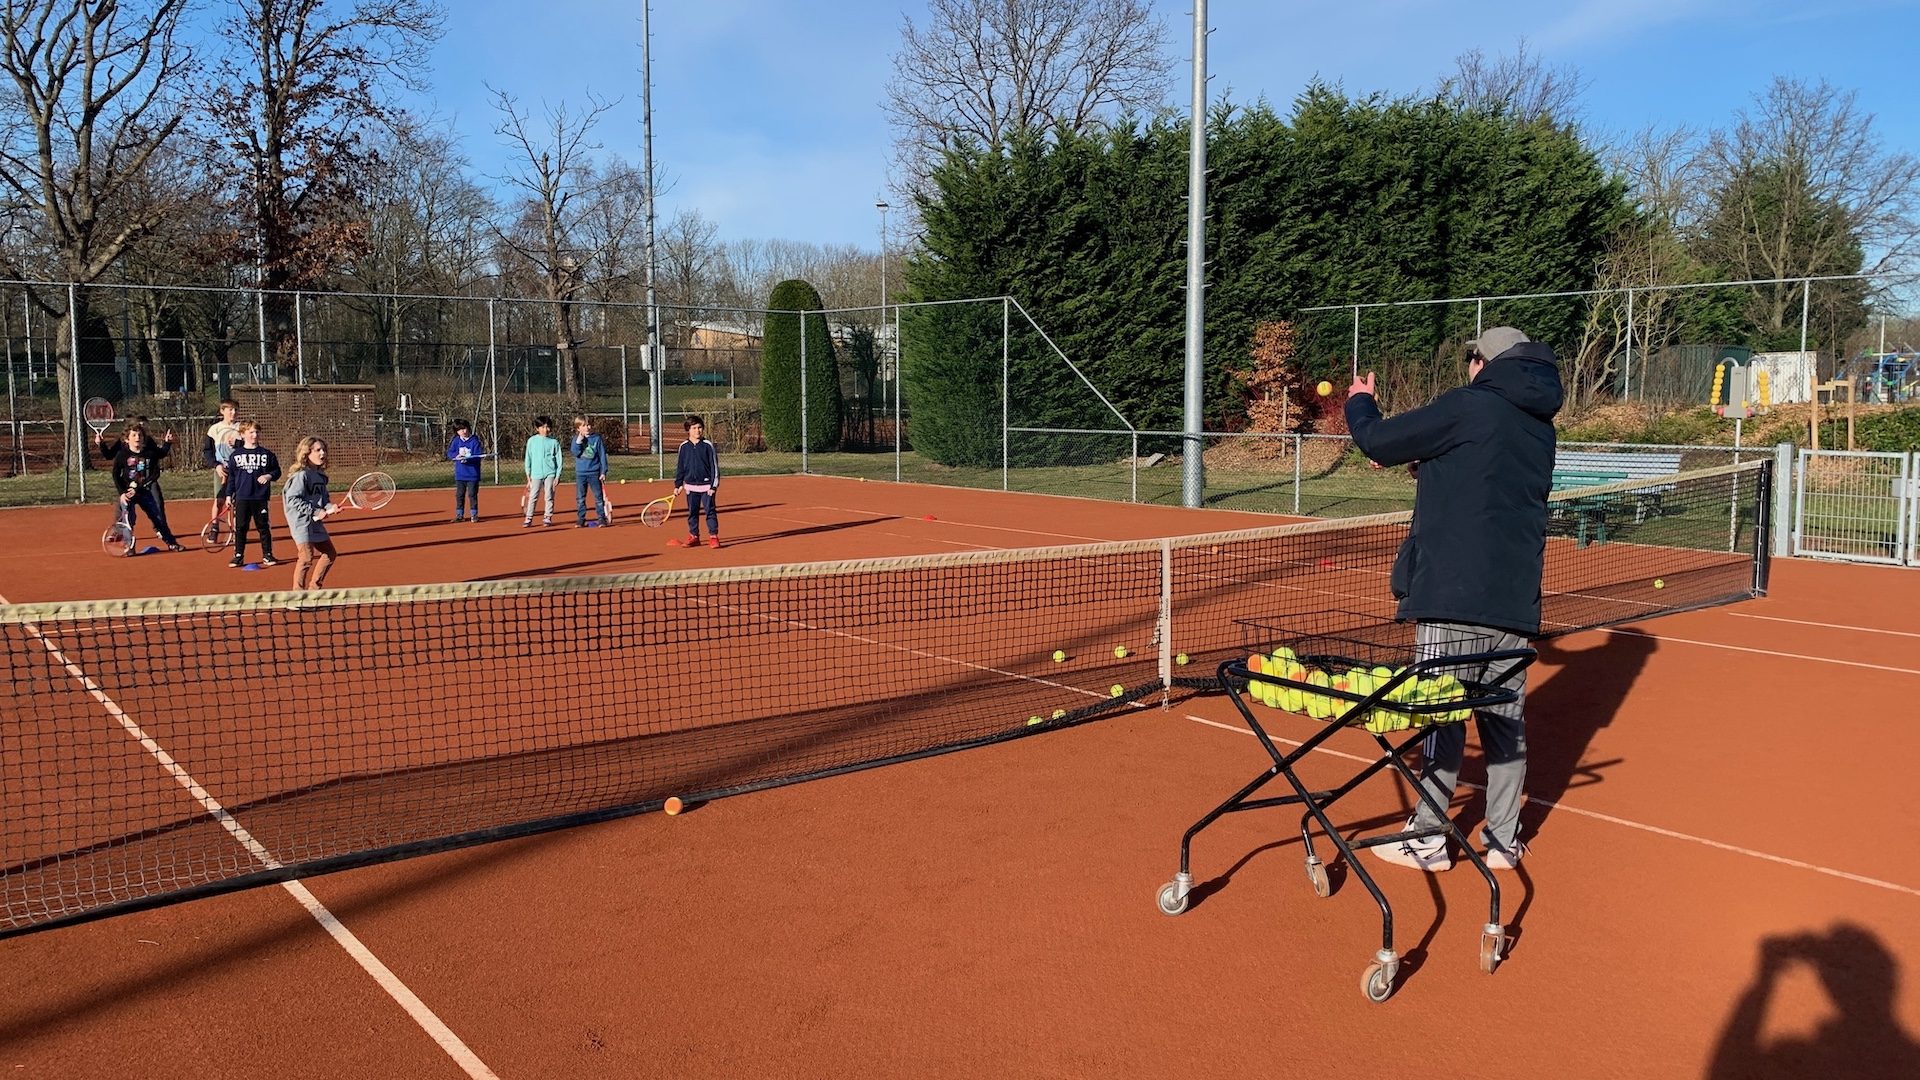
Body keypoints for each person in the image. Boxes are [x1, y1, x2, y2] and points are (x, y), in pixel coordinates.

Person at [1342, 326, 1561, 872]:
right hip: (1514, 599)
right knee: (1504, 723)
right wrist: (1431, 462)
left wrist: (1360, 403)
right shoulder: (1540, 427)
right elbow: (1487, 477)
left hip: (1452, 593)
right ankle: (1505, 841)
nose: (1469, 367)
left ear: (1483, 363)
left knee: (1441, 712)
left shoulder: (1469, 405)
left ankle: (1428, 837)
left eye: (1472, 359)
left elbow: (1377, 440)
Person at [96, 424, 185, 551]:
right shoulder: (122, 455)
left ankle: (172, 543)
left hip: (144, 492)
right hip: (127, 494)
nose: (137, 437)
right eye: (134, 435)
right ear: (127, 439)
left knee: (158, 518)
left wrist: (167, 443)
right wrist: (122, 493)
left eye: (140, 435)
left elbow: (155, 474)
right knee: (128, 519)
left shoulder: (150, 454)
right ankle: (129, 546)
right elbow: (116, 474)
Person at [283, 435, 341, 590]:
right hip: (301, 522)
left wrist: (330, 507)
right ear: (306, 453)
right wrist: (315, 511)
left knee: (329, 553)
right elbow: (292, 500)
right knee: (306, 557)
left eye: (324, 450)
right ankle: (297, 595)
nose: (322, 453)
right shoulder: (301, 475)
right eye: (317, 450)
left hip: (315, 522)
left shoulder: (321, 476)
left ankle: (314, 590)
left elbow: (324, 499)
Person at [225, 420, 281, 568]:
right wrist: (229, 495)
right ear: (242, 435)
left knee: (263, 526)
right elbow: (231, 477)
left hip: (260, 497)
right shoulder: (235, 455)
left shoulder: (266, 454)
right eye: (251, 432)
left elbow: (277, 471)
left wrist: (269, 476)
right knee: (240, 527)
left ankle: (267, 554)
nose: (255, 435)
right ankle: (238, 555)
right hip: (242, 497)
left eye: (257, 432)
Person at [670, 415, 721, 548]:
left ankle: (713, 536)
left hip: (707, 487)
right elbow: (680, 467)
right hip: (690, 487)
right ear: (688, 429)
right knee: (692, 512)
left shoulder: (708, 445)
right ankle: (694, 536)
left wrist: (713, 486)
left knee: (710, 511)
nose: (697, 430)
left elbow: (714, 467)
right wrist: (678, 484)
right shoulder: (683, 447)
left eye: (699, 427)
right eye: (694, 428)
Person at [571, 414, 612, 527]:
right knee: (580, 498)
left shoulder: (597, 438)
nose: (587, 427)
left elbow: (602, 455)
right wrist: (579, 442)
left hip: (594, 472)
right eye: (583, 425)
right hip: (581, 473)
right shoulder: (576, 439)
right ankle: (581, 519)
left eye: (588, 425)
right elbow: (575, 453)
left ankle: (601, 518)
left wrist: (603, 471)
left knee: (598, 497)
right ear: (578, 428)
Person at [203, 398, 241, 521]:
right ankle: (214, 525)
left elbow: (251, 446)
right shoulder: (215, 429)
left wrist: (238, 443)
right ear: (222, 411)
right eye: (230, 410)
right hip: (222, 469)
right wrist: (216, 465)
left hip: (239, 470)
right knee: (219, 499)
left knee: (238, 500)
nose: (234, 412)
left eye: (236, 410)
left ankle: (237, 527)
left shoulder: (243, 428)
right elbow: (208, 451)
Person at [522, 415, 562, 528]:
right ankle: (529, 517)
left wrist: (557, 475)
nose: (545, 430)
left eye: (547, 427)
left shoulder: (554, 442)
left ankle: (547, 516)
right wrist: (528, 473)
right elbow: (528, 457)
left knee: (549, 495)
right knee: (533, 496)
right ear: (537, 428)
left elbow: (559, 460)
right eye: (543, 427)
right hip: (536, 474)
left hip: (550, 473)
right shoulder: (532, 441)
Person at [447, 419, 485, 523]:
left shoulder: (474, 441)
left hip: (472, 474)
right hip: (460, 474)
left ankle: (474, 514)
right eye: (460, 430)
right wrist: (456, 456)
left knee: (472, 494)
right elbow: (450, 453)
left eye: (464, 428)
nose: (463, 431)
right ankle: (459, 514)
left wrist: (468, 458)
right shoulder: (456, 441)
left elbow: (477, 456)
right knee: (459, 495)